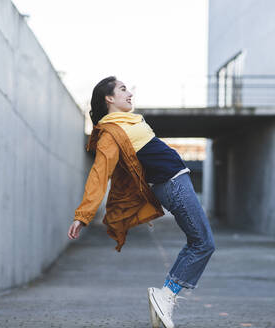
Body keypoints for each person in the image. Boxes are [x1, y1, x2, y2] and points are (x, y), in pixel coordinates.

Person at [67, 76, 216, 328]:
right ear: (109, 98)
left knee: (198, 242)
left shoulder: (127, 121)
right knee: (203, 243)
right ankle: (166, 295)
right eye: (123, 89)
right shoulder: (111, 133)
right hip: (172, 184)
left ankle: (166, 295)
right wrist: (83, 215)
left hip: (176, 181)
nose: (130, 93)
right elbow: (99, 175)